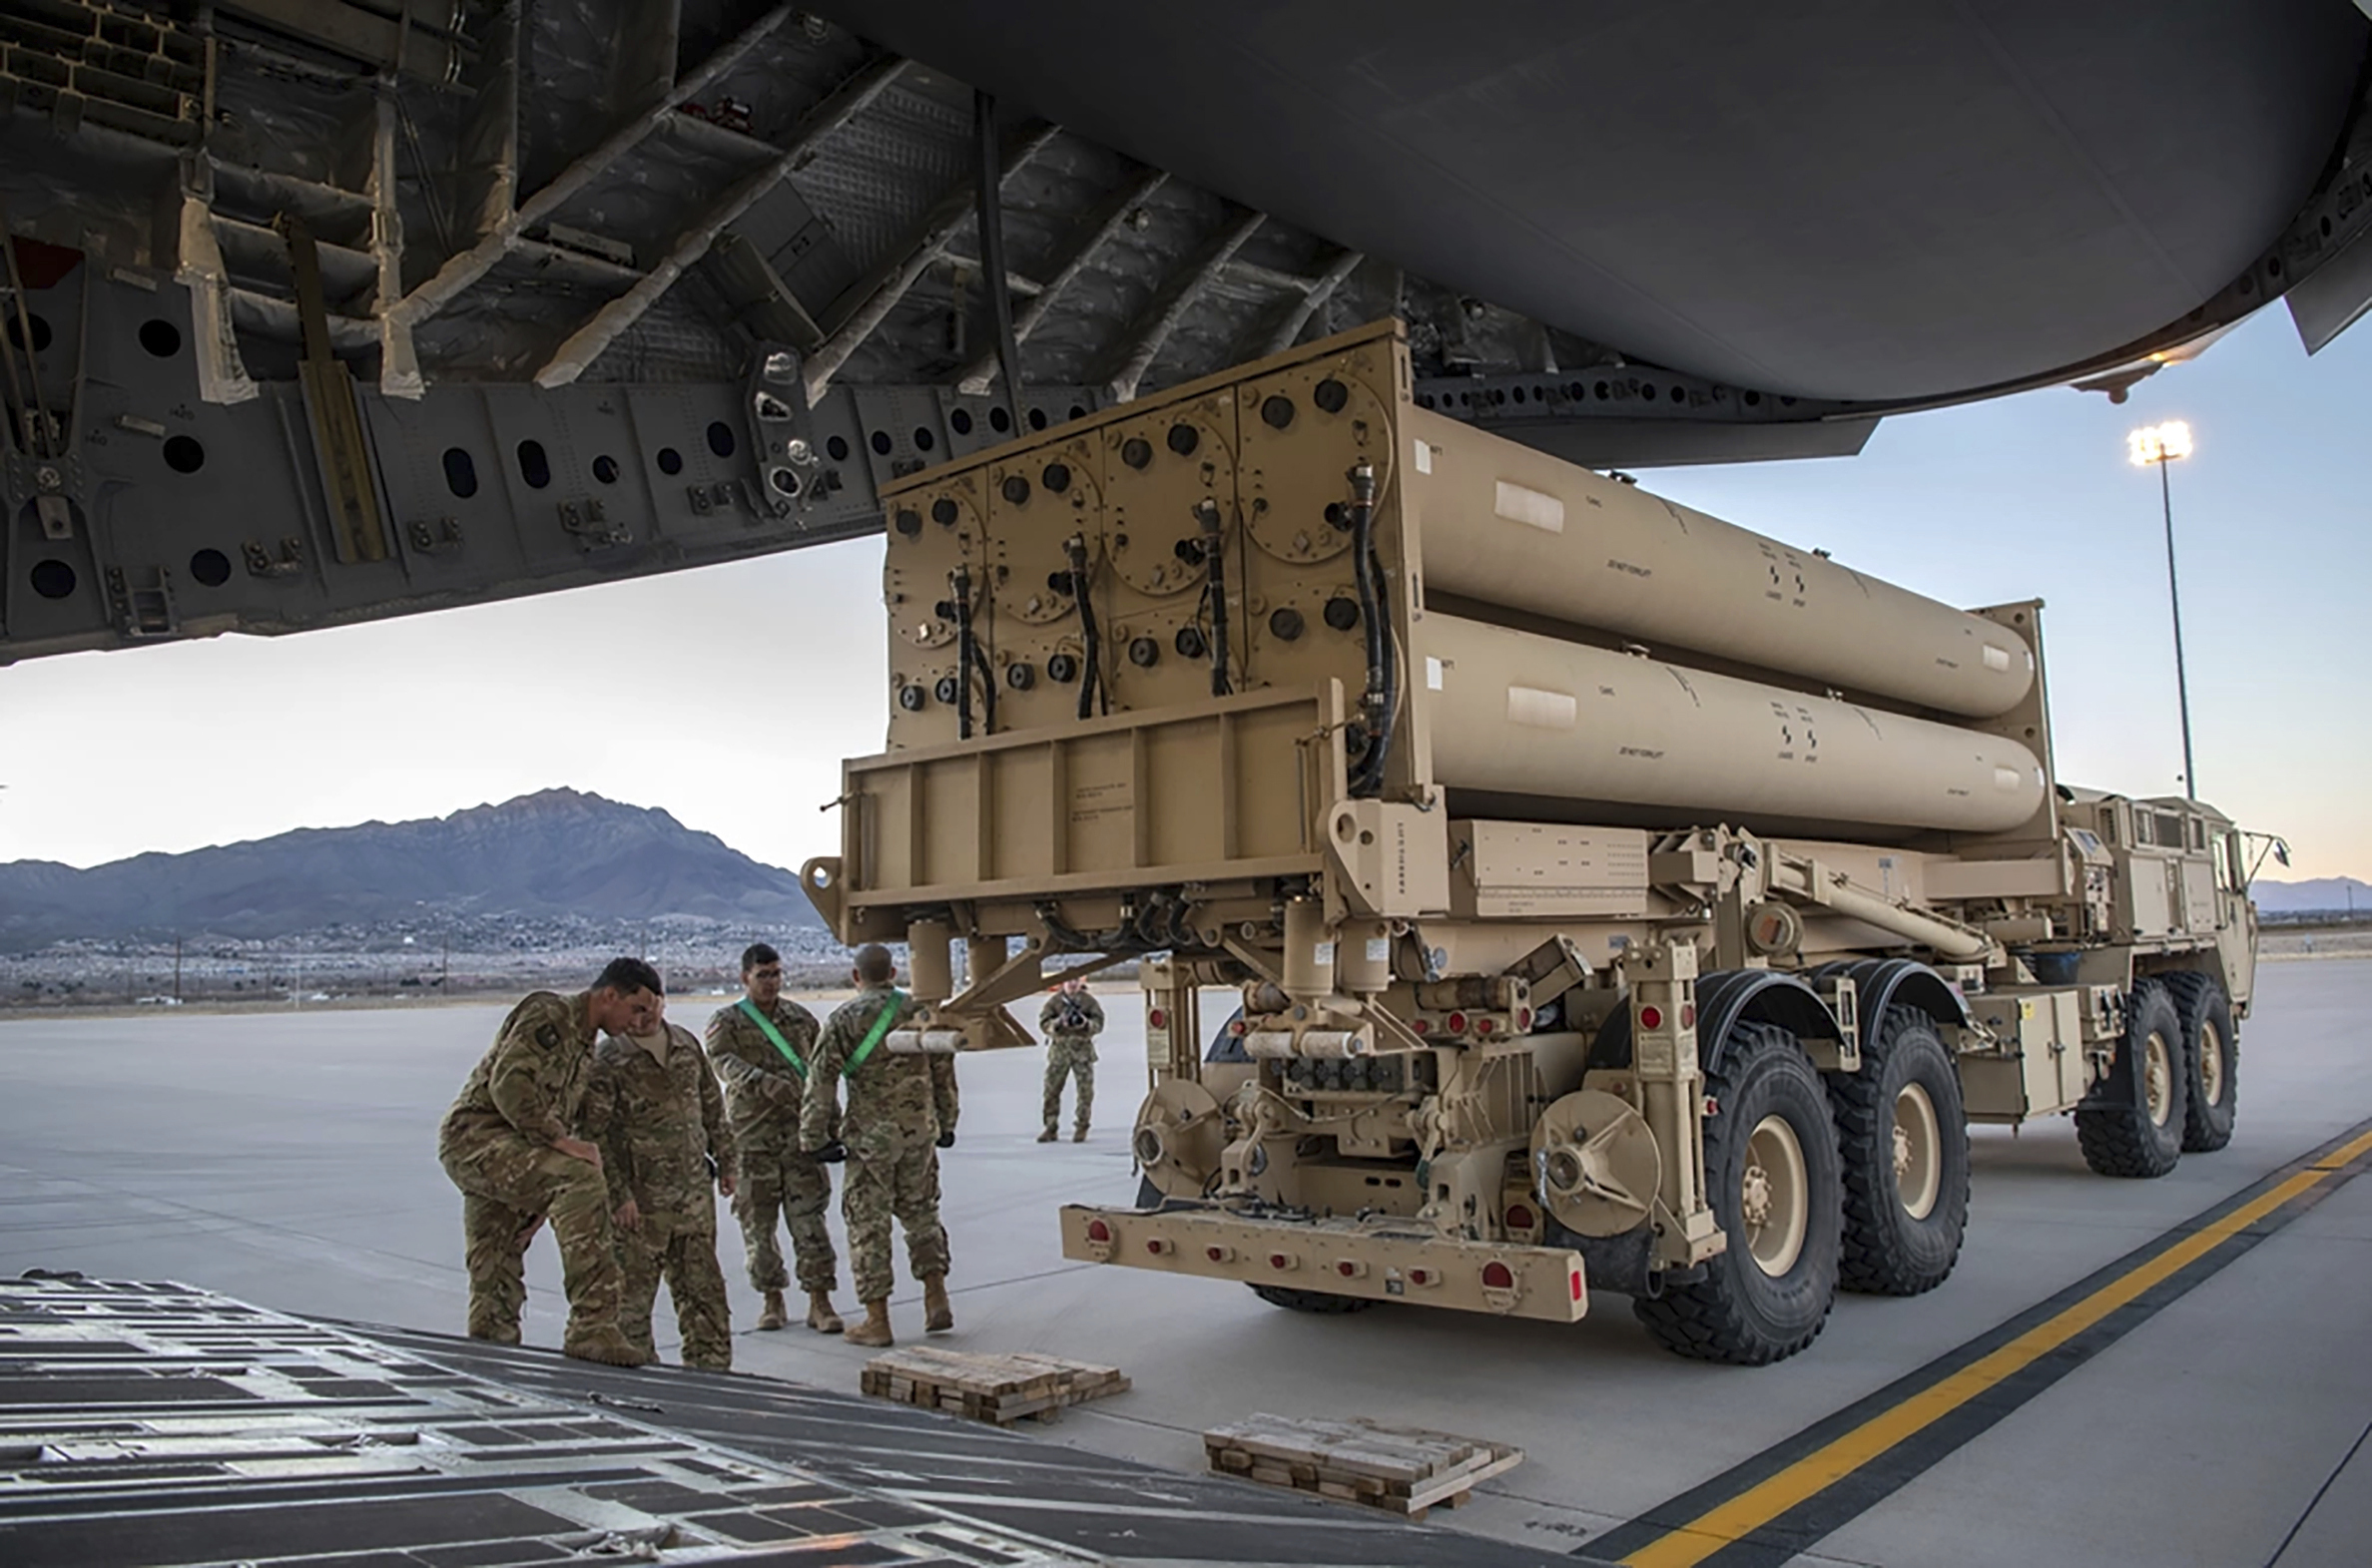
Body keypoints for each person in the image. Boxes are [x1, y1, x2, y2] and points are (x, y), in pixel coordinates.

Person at [436, 957, 660, 1365]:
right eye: (637, 1008)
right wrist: (558, 1142)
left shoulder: (583, 1043)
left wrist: (540, 1198)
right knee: (581, 1178)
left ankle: (492, 1353)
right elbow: (510, 1084)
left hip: (511, 1149)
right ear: (610, 995)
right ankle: (592, 1327)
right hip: (478, 1138)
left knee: (498, 1255)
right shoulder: (550, 1014)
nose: (638, 1021)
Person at [801, 943, 957, 1348]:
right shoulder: (919, 1012)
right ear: (893, 973)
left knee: (868, 1226)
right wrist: (947, 1122)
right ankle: (935, 1296)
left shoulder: (843, 1019)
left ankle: (877, 1320)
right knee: (922, 1214)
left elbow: (820, 1081)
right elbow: (943, 1067)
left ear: (857, 977)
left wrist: (815, 1137)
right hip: (919, 1134)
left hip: (870, 1142)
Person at [578, 992, 737, 1369]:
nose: (646, 1014)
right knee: (631, 1307)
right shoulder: (609, 1059)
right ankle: (639, 1388)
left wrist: (728, 1160)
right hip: (640, 1207)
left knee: (705, 1300)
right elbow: (591, 1134)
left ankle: (712, 1381)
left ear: (663, 1002)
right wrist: (618, 1195)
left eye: (653, 1004)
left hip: (692, 1200)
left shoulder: (684, 1044)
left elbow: (712, 1106)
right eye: (638, 1006)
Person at [704, 942, 845, 1333]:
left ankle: (820, 1301)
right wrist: (761, 1082)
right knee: (759, 1229)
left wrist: (832, 1126)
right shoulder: (727, 1021)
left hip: (799, 1141)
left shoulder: (800, 1020)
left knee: (810, 1225)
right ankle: (772, 1300)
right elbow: (721, 1062)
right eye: (763, 975)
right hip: (752, 1143)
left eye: (776, 974)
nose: (771, 982)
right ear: (745, 977)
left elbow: (821, 1076)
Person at [1037, 975, 1106, 1143]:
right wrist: (1057, 1024)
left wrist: (1086, 1024)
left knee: (1085, 1092)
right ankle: (1050, 1127)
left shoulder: (1089, 1002)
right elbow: (1043, 1023)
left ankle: (1082, 1126)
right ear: (1063, 983)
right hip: (1060, 1051)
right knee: (1051, 1090)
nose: (1073, 984)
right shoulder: (1054, 1002)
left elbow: (1099, 1023)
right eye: (1069, 981)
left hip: (1082, 1051)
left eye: (1075, 981)